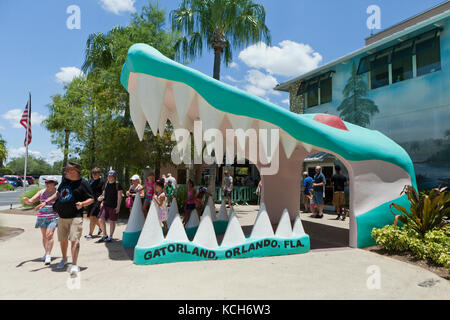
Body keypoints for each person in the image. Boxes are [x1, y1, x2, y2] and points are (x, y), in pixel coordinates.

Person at [47, 161, 94, 275]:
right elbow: (58, 193)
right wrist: (47, 201)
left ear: (75, 171)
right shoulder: (65, 181)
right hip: (62, 215)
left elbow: (91, 199)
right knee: (63, 240)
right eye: (66, 170)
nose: (65, 172)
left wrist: (82, 204)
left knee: (74, 240)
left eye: (68, 170)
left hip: (75, 216)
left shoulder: (83, 183)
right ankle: (64, 258)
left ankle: (74, 264)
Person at [22, 176, 59, 265]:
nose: (47, 184)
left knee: (49, 235)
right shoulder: (41, 192)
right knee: (44, 236)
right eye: (46, 182)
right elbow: (31, 201)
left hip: (53, 216)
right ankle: (46, 252)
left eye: (49, 182)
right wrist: (27, 200)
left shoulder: (57, 192)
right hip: (42, 216)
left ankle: (48, 256)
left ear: (54, 183)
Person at [96, 170, 123, 243]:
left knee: (112, 221)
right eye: (108, 175)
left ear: (114, 177)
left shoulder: (118, 185)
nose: (109, 177)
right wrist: (101, 200)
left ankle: (110, 236)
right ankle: (104, 235)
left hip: (113, 206)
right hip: (105, 205)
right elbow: (103, 194)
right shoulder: (106, 184)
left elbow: (119, 197)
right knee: (101, 220)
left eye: (111, 176)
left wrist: (118, 207)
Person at [85, 168, 104, 239]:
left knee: (92, 216)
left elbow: (103, 192)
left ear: (99, 174)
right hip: (90, 200)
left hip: (97, 201)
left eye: (96, 173)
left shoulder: (102, 181)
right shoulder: (91, 181)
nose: (94, 175)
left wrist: (102, 201)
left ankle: (90, 234)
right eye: (93, 173)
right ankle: (101, 227)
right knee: (90, 217)